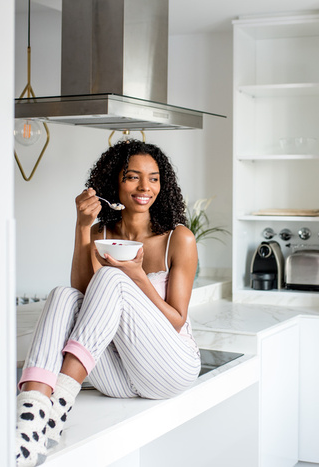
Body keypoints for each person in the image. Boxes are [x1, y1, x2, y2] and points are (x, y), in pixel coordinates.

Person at [15, 140, 201, 466]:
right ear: (114, 181)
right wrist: (83, 226)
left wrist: (138, 276)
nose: (145, 187)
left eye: (154, 178)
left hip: (170, 366)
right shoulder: (102, 233)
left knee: (113, 278)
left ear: (163, 184)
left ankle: (57, 407)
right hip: (117, 376)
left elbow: (176, 319)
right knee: (64, 294)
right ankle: (30, 421)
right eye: (133, 176)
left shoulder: (179, 238)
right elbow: (84, 297)